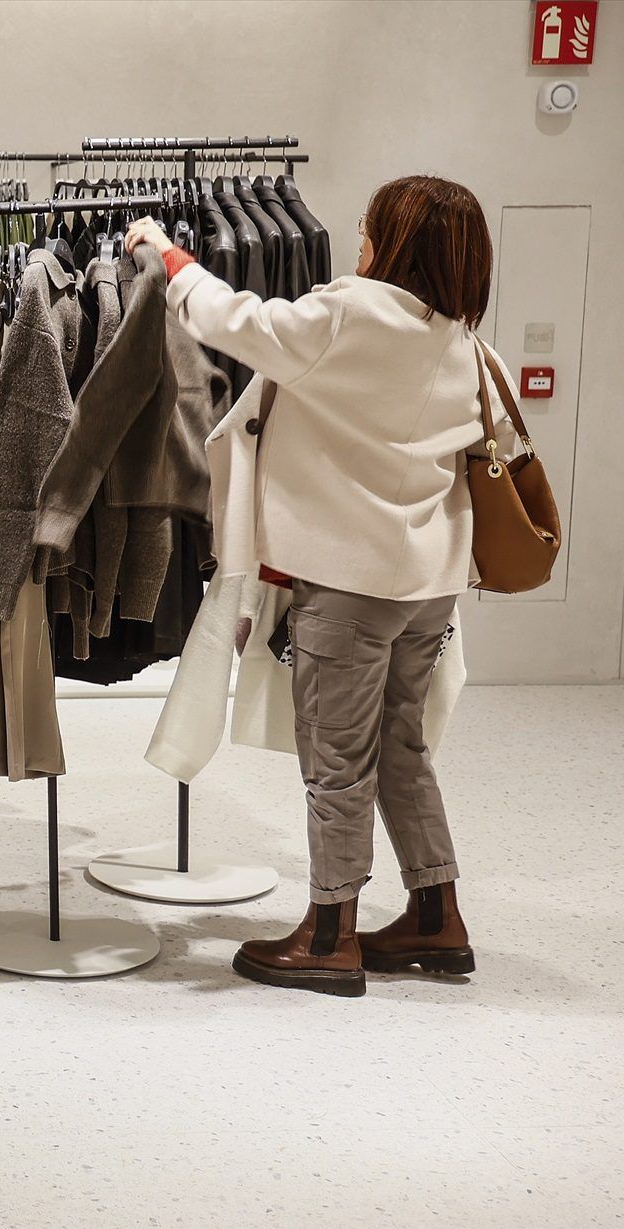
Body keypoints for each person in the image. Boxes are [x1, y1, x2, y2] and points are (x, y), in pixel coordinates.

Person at [127, 174, 507, 997]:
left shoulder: (351, 313)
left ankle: (329, 934)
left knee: (337, 759)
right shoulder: (461, 340)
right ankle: (436, 915)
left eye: (371, 225)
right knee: (401, 746)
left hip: (349, 580)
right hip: (428, 585)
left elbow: (237, 322)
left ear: (395, 242)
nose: (360, 236)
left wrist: (168, 256)